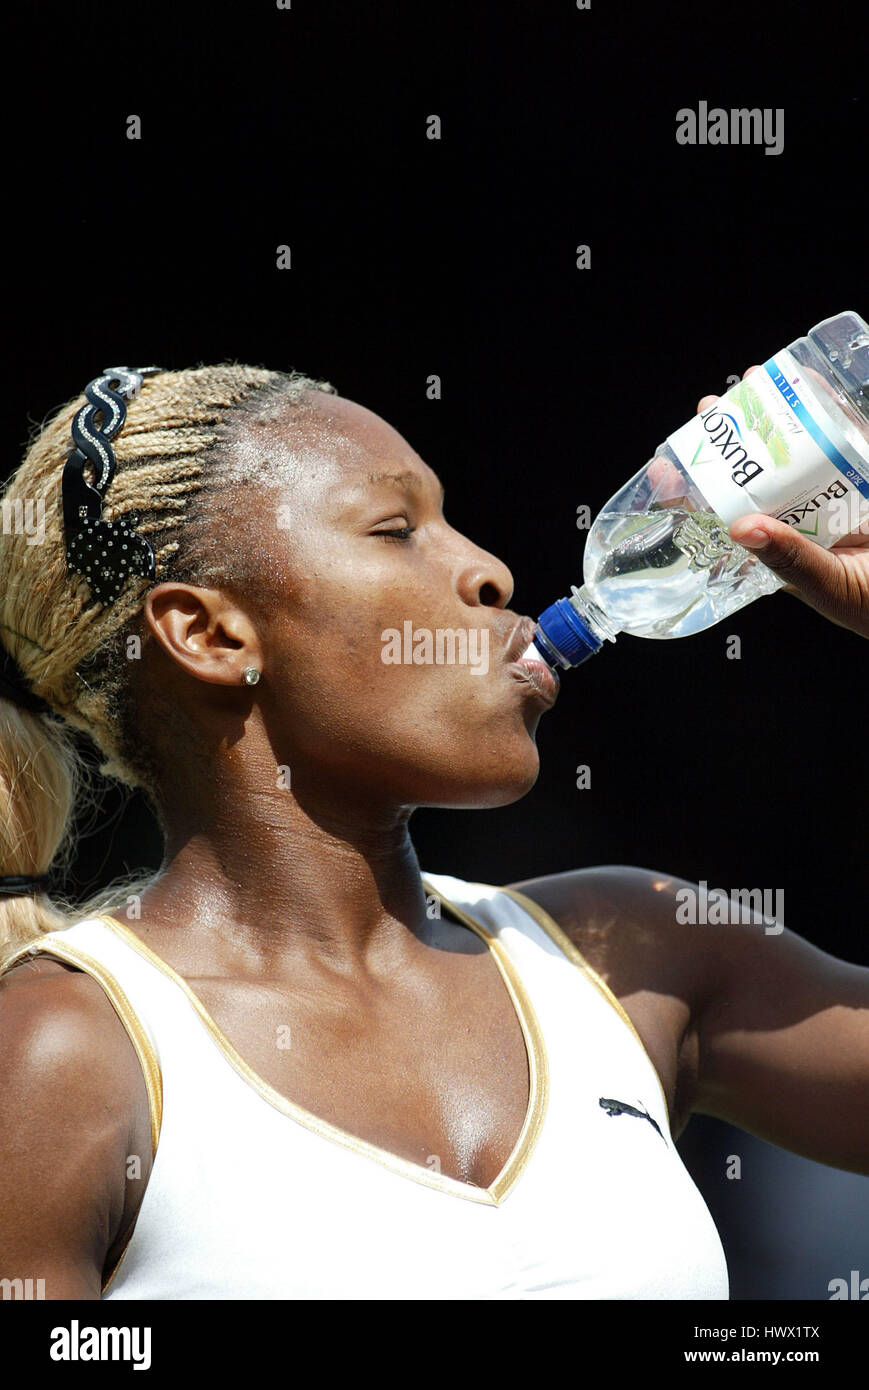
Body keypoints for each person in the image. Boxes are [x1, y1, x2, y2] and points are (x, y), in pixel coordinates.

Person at [0, 363, 866, 1301]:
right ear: (211, 636)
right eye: (396, 529)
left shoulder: (635, 953)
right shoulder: (65, 1051)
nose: (488, 571)